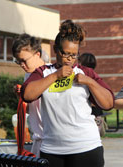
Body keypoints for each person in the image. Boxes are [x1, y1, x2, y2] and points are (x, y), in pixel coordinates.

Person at [21, 20, 114, 167]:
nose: (69, 59)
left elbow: (108, 103)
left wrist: (89, 82)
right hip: (52, 150)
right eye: (65, 54)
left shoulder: (86, 72)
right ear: (56, 49)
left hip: (86, 147)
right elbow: (27, 94)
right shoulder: (44, 72)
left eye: (74, 55)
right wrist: (55, 75)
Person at [12, 33, 47, 157]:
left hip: (51, 141)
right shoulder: (28, 75)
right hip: (37, 139)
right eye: (18, 61)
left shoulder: (50, 75)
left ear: (37, 54)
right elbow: (31, 109)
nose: (22, 65)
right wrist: (21, 97)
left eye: (24, 60)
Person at [78, 52, 107, 136]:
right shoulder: (96, 79)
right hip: (96, 115)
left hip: (91, 116)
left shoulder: (84, 80)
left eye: (79, 61)